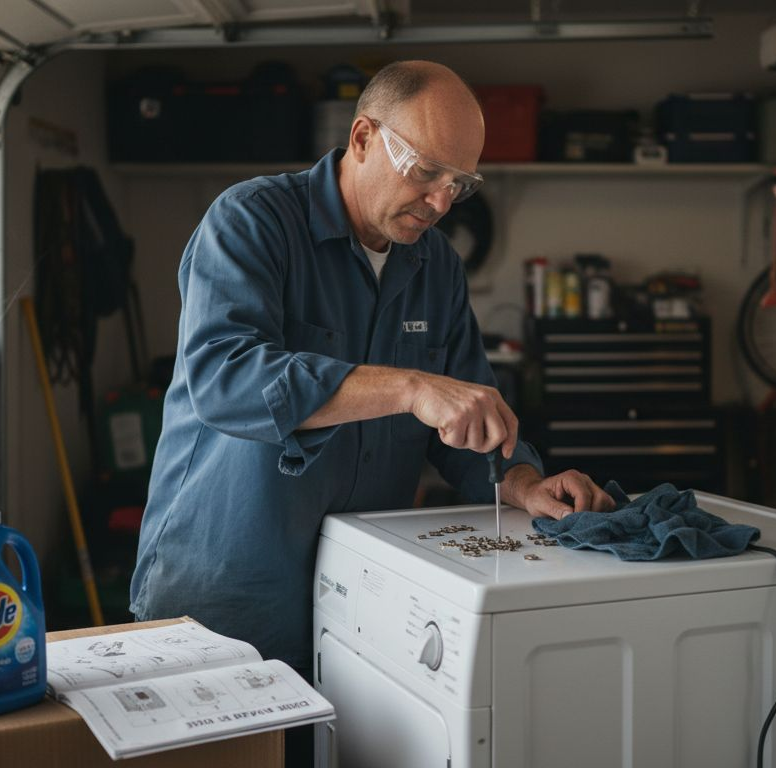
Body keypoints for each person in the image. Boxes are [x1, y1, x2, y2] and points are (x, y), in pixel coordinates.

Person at [130, 60, 614, 755]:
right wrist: (409, 386)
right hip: (226, 597)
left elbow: (463, 422)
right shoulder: (253, 221)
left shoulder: (435, 265)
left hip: (361, 603)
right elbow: (225, 377)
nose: (442, 202)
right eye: (426, 171)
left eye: (460, 184)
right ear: (362, 138)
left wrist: (525, 483)